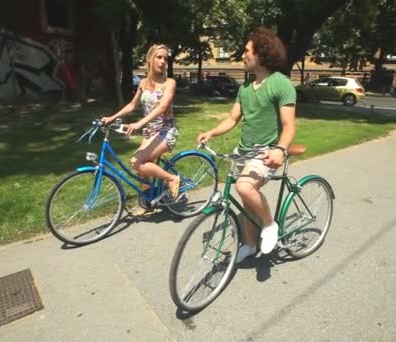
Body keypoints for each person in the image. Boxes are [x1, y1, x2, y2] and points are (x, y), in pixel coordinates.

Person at [197, 27, 296, 263]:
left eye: (247, 51)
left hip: (265, 153)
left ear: (261, 54)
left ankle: (270, 225)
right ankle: (250, 244)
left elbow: (289, 125)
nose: (242, 55)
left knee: (244, 188)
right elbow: (232, 119)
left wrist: (280, 150)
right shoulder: (244, 89)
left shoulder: (280, 84)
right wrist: (211, 132)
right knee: (244, 196)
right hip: (243, 152)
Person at [101, 44, 180, 209]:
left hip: (166, 131)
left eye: (165, 58)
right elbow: (132, 105)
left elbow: (162, 108)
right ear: (150, 59)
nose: (163, 61)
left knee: (136, 162)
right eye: (159, 57)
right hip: (150, 132)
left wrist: (139, 123)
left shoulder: (170, 83)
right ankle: (149, 200)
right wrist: (112, 117)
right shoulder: (143, 83)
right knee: (142, 168)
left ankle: (172, 179)